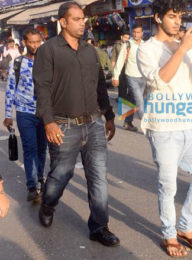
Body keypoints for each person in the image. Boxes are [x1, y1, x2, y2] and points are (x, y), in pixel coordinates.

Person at [33, 2, 119, 247]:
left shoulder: (90, 51)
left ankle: (99, 227)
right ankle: (48, 205)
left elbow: (100, 86)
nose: (83, 23)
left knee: (98, 177)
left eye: (84, 19)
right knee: (61, 174)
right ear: (63, 22)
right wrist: (48, 122)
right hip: (63, 125)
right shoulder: (48, 50)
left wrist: (109, 116)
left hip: (93, 124)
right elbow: (42, 89)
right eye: (78, 19)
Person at [137, 0, 192, 257]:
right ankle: (169, 234)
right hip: (163, 126)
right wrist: (182, 49)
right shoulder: (147, 49)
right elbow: (159, 81)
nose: (177, 22)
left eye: (180, 17)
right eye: (172, 16)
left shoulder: (188, 47)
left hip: (190, 123)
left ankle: (186, 227)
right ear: (158, 18)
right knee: (167, 185)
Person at [3, 28, 47, 202]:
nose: (35, 45)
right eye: (31, 42)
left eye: (38, 42)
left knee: (42, 148)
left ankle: (40, 178)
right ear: (24, 43)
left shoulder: (47, 62)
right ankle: (31, 184)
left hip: (45, 112)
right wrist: (8, 114)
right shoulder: (17, 63)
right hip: (24, 112)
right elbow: (10, 89)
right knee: (30, 148)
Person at [113, 24, 145, 132]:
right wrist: (115, 76)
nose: (136, 34)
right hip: (131, 76)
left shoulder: (145, 45)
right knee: (140, 101)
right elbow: (120, 60)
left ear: (142, 33)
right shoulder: (127, 44)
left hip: (143, 77)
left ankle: (128, 122)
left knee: (133, 100)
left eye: (138, 32)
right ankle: (147, 126)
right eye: (134, 32)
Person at [111, 31, 130, 105]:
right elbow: (113, 58)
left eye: (128, 38)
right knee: (121, 84)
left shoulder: (129, 45)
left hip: (128, 67)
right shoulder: (117, 45)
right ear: (121, 37)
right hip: (120, 68)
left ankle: (125, 98)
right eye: (125, 37)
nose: (126, 39)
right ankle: (121, 98)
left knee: (128, 84)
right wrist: (112, 70)